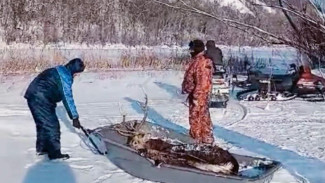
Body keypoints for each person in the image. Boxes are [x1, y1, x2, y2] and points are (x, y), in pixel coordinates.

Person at [24, 58, 85, 160]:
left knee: (43, 124)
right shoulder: (65, 77)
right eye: (77, 73)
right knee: (52, 126)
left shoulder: (59, 70)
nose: (77, 75)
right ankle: (55, 154)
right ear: (74, 70)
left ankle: (42, 149)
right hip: (40, 98)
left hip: (34, 96)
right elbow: (67, 97)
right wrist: (74, 117)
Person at [181, 39, 214, 144]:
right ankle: (203, 139)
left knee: (197, 118)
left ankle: (198, 140)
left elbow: (203, 82)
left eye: (191, 49)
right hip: (198, 94)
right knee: (202, 117)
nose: (190, 51)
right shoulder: (198, 60)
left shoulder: (202, 62)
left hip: (199, 95)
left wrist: (196, 96)